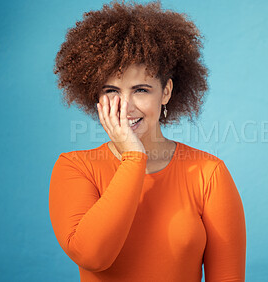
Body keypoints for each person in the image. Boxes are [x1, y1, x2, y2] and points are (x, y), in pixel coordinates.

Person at [49, 0, 246, 281]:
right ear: (95, 95)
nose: (126, 106)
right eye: (111, 90)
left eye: (141, 89)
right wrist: (133, 158)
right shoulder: (75, 167)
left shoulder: (209, 173)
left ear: (165, 92)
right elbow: (93, 255)